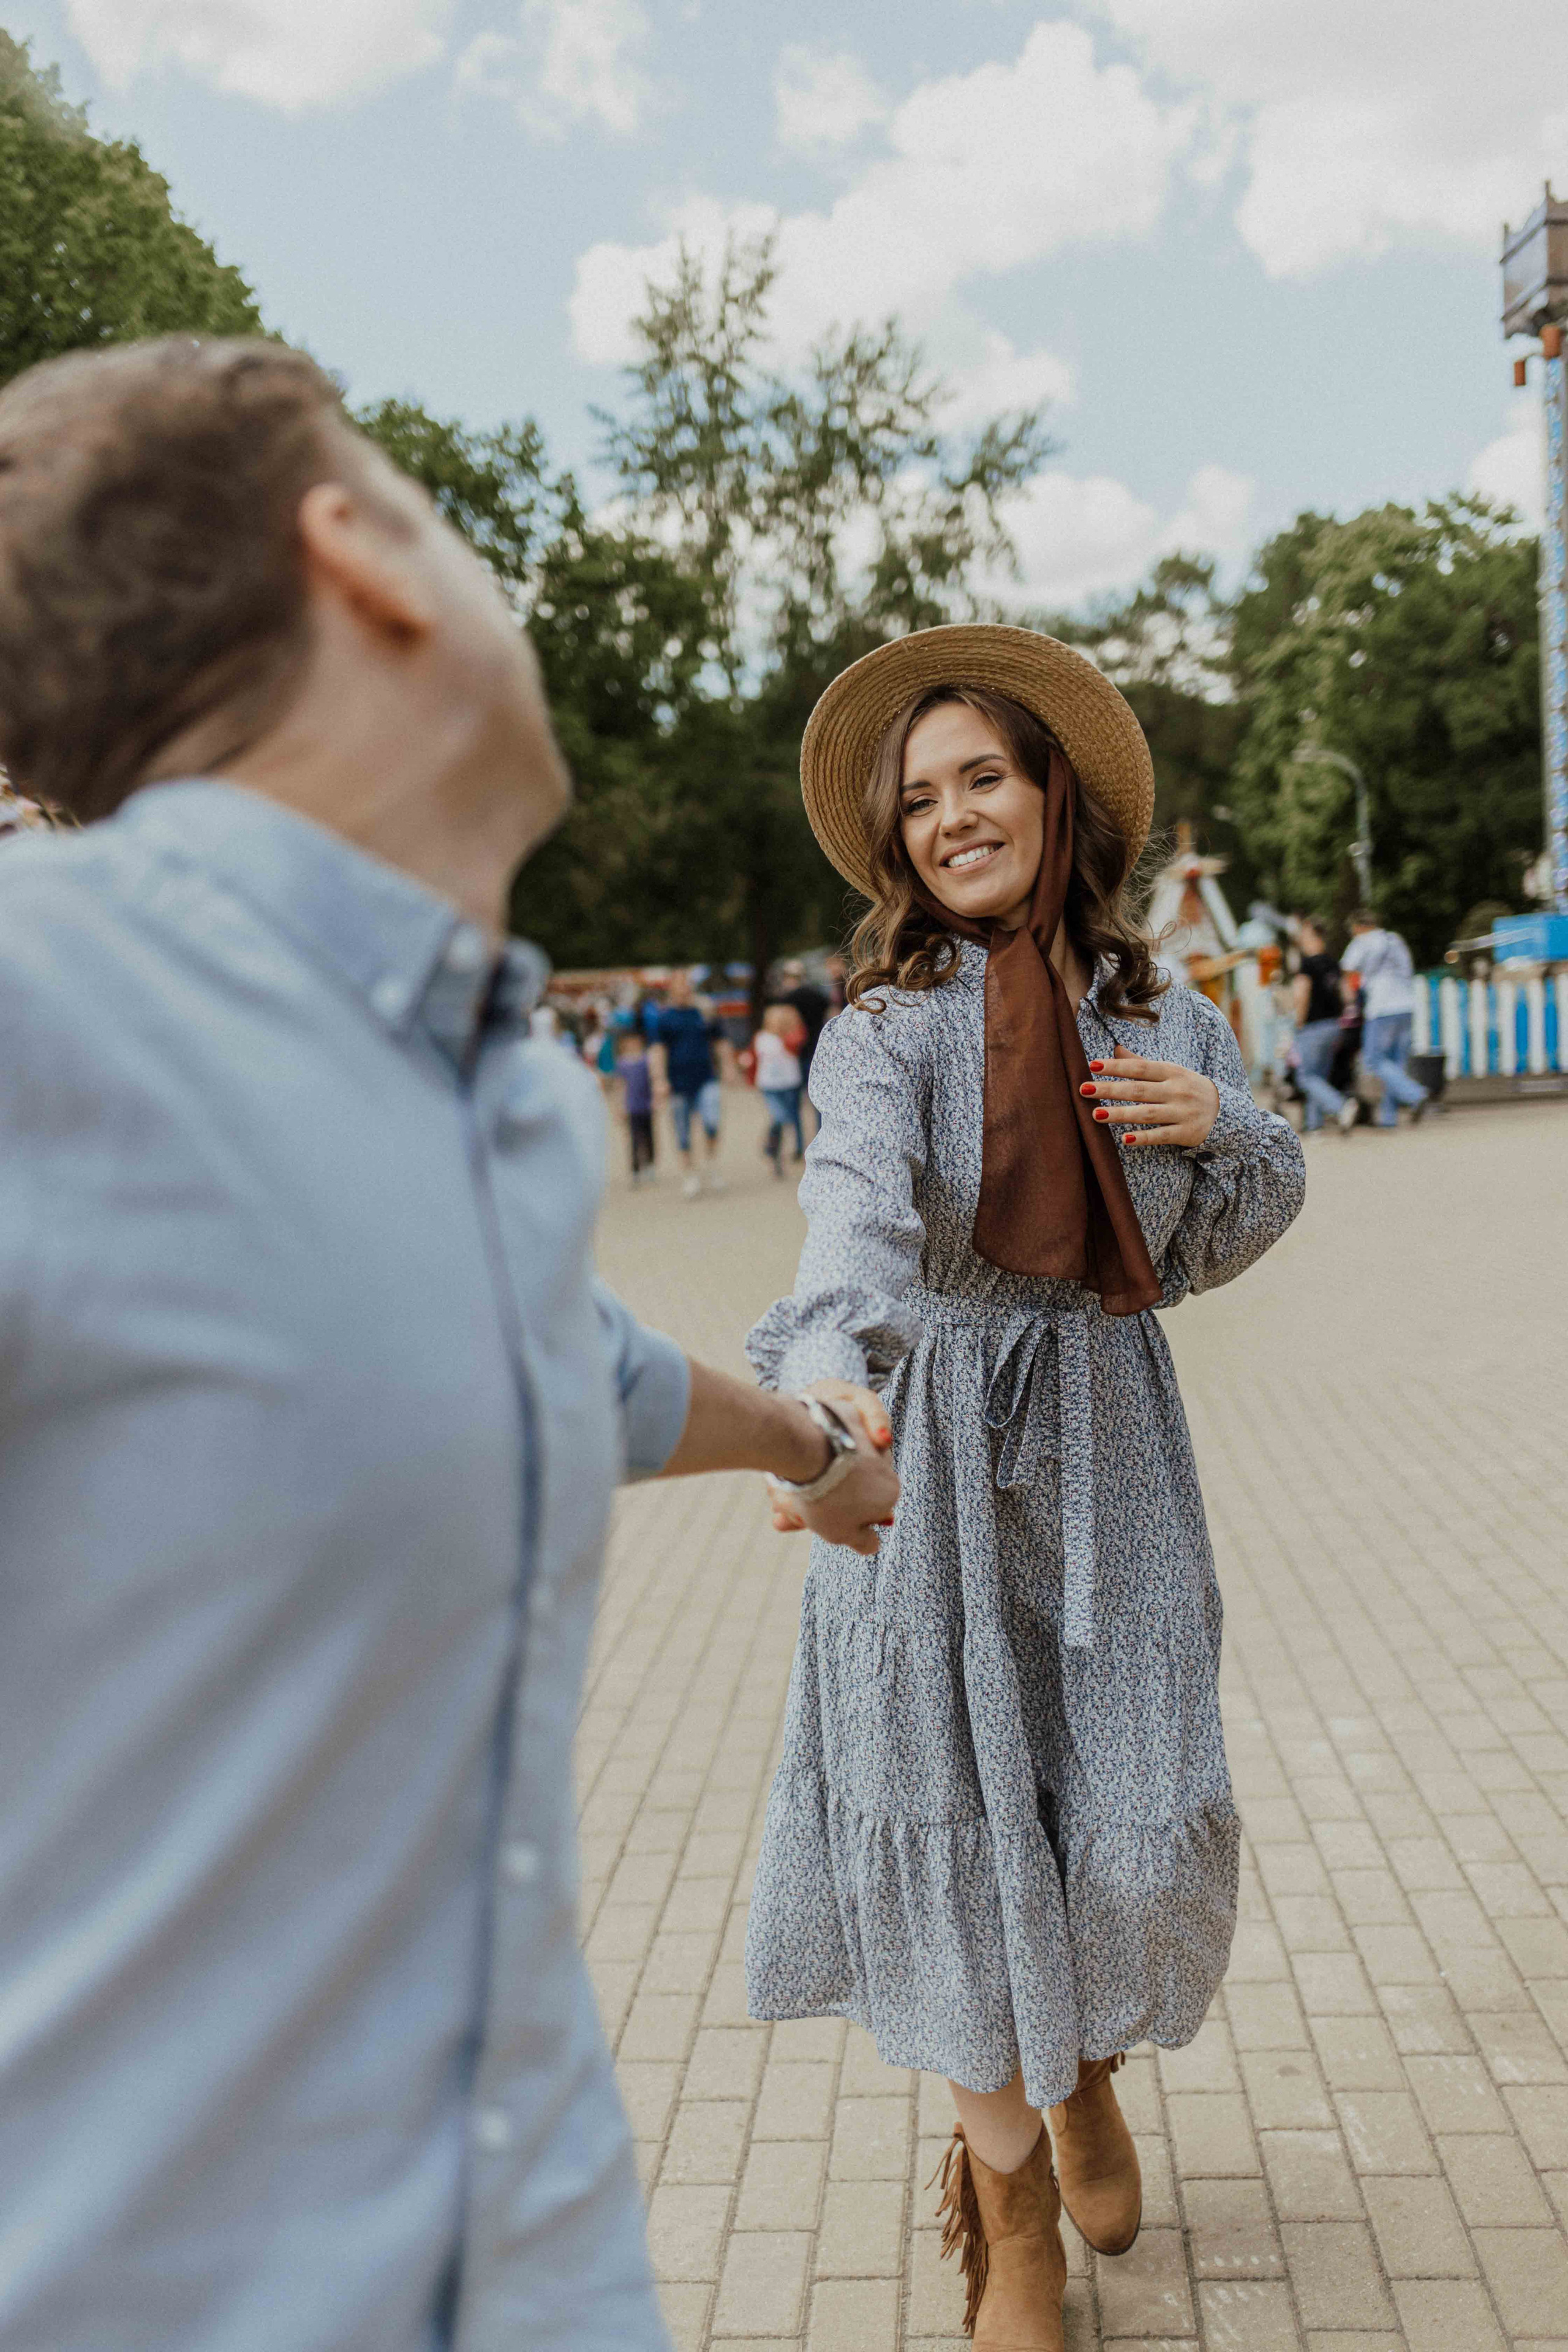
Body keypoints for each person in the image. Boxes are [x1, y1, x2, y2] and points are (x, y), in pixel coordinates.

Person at [0, 334, 900, 2352]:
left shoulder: (481, 1098)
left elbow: (554, 1365)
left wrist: (813, 1456)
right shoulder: (44, 1003)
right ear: (362, 556)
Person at [744, 627, 1305, 2351]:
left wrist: (1223, 1122)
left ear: (1054, 793)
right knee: (960, 1816)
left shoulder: (1159, 1008)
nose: (953, 817)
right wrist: (831, 1369)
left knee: (1127, 1815)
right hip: (927, 1459)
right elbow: (845, 1214)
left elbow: (1242, 1214)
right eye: (920, 800)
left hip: (1110, 1438)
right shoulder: (888, 1028)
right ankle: (1005, 2209)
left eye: (982, 776)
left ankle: (1083, 2075)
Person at [1341, 908, 1428, 1129]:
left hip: (1381, 1008)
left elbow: (1348, 973)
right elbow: (1408, 971)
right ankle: (1389, 1118)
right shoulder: (1394, 939)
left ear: (1359, 927)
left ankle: (1415, 1094)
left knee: (1374, 1059)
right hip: (1406, 1006)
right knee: (1396, 1064)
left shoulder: (1361, 943)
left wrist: (1351, 1004)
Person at [652, 966, 726, 1197]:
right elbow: (657, 1050)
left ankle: (711, 1164)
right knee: (682, 1131)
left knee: (713, 1122)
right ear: (671, 989)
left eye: (687, 985)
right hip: (678, 1082)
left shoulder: (704, 1013)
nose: (684, 989)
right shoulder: (664, 1018)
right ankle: (690, 1174)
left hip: (706, 1078)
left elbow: (720, 1041)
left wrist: (730, 1068)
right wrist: (659, 1080)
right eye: (679, 985)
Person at [1291, 914, 1359, 1134]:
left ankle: (1341, 1107)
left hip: (1313, 1026)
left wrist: (1298, 1023)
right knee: (1318, 1077)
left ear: (1310, 932)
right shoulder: (1333, 962)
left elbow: (1302, 994)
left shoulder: (1307, 964)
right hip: (1334, 1026)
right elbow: (1348, 995)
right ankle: (1314, 1125)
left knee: (1306, 1077)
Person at [774, 957, 831, 1133]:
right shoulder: (819, 996)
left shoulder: (788, 999)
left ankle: (798, 1143)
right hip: (817, 1050)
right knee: (817, 1100)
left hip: (795, 1052)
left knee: (795, 1102)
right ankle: (818, 1135)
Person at [752, 1001, 806, 1175]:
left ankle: (776, 1154)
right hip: (770, 1085)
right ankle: (770, 1146)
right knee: (779, 1118)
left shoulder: (792, 1036)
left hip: (790, 1083)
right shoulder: (762, 1038)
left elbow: (796, 1046)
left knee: (786, 1122)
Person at [617, 1025, 658, 1182]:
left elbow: (653, 1080)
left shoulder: (646, 1060)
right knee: (634, 1139)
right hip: (632, 1106)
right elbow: (621, 1086)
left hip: (646, 1105)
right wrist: (621, 1106)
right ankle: (636, 1168)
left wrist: (655, 1098)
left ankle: (650, 1164)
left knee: (649, 1137)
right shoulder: (623, 1063)